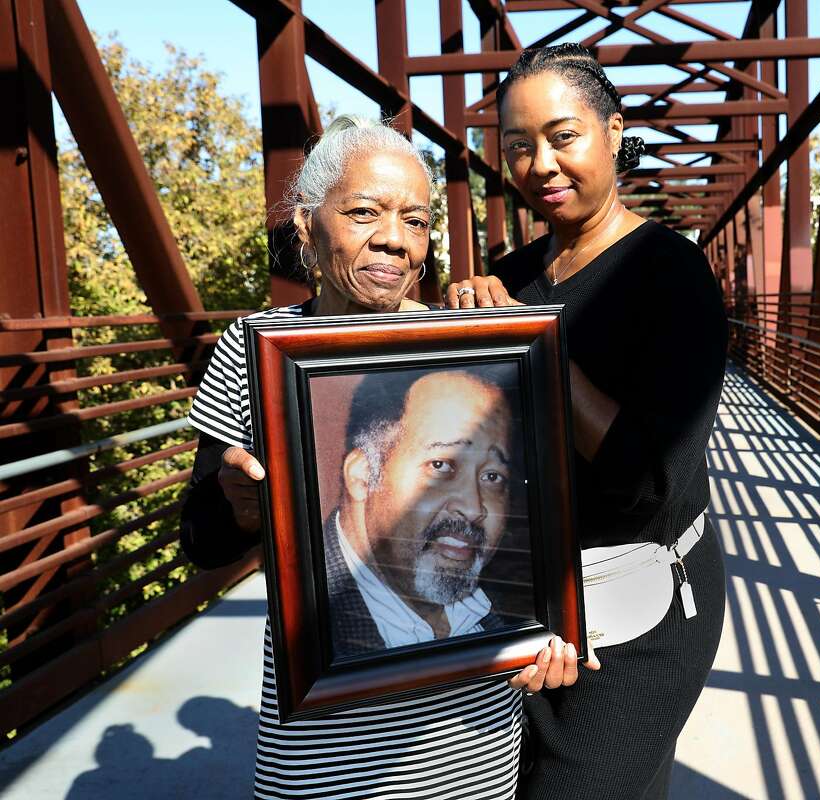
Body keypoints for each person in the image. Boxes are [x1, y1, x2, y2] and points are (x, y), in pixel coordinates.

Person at [180, 114, 576, 800]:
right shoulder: (254, 351)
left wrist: (552, 628)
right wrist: (238, 506)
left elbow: (534, 537)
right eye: (364, 212)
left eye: (418, 221)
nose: (395, 239)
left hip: (473, 756)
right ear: (307, 224)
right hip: (323, 764)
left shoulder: (476, 346)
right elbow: (201, 543)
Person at [447, 44, 728, 800]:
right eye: (517, 147)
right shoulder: (510, 276)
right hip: (530, 607)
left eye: (563, 136)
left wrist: (532, 344)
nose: (540, 164)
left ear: (612, 131)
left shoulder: (670, 272)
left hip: (641, 612)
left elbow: (650, 482)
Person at [326, 366, 532, 656]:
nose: (473, 508)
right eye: (441, 465)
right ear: (363, 475)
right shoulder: (306, 629)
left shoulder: (514, 616)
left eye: (492, 476)